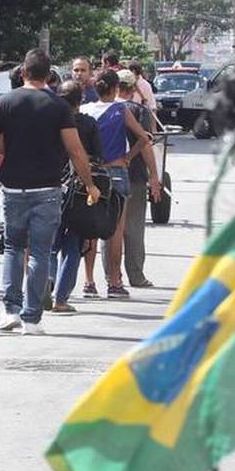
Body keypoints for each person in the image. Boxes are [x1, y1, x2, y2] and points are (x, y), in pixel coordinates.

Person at [0, 49, 99, 334]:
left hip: (14, 187)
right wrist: (89, 184)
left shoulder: (5, 103)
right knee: (40, 252)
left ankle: (10, 310)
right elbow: (76, 150)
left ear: (23, 73)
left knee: (13, 248)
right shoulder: (59, 107)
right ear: (49, 75)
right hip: (48, 188)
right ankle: (32, 318)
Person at [81, 70, 157, 299]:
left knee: (90, 229)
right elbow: (144, 138)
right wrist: (128, 157)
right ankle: (114, 283)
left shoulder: (85, 111)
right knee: (115, 230)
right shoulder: (121, 110)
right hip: (117, 171)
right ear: (115, 89)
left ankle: (89, 281)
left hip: (92, 173)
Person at [49, 81, 103, 314]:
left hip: (54, 187)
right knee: (73, 245)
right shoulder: (89, 124)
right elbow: (99, 159)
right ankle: (60, 299)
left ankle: (46, 283)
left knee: (51, 245)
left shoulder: (51, 123)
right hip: (81, 191)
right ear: (80, 101)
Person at [114, 69, 162, 289]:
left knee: (112, 228)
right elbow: (146, 145)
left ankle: (112, 278)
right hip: (134, 176)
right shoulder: (138, 110)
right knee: (133, 228)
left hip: (108, 176)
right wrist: (155, 178)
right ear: (133, 89)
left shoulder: (101, 109)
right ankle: (136, 275)